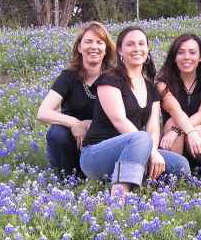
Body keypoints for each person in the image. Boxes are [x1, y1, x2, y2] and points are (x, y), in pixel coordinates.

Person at [80, 26, 191, 197]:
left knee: (180, 165)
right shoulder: (109, 78)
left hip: (136, 151)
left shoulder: (150, 87)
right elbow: (119, 120)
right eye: (130, 44)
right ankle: (119, 195)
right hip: (97, 154)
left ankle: (142, 183)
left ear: (147, 49)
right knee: (140, 137)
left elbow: (154, 127)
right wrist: (151, 152)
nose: (137, 48)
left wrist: (151, 152)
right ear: (120, 50)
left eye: (141, 44)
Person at [37, 21, 116, 176]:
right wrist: (75, 123)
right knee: (57, 134)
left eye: (100, 42)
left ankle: (101, 176)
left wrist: (93, 124)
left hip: (103, 139)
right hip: (72, 142)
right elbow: (43, 112)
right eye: (88, 42)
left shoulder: (115, 78)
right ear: (79, 47)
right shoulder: (69, 76)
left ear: (106, 49)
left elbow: (125, 116)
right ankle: (67, 177)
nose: (94, 47)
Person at [156, 33, 201, 164]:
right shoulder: (163, 83)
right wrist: (183, 131)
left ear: (200, 57)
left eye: (192, 52)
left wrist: (180, 131)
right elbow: (175, 110)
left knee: (200, 130)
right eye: (181, 52)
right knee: (172, 121)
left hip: (199, 142)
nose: (186, 57)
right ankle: (177, 172)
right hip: (173, 141)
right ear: (174, 57)